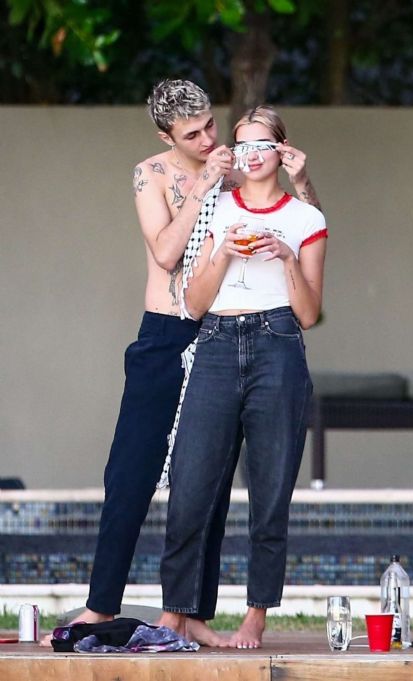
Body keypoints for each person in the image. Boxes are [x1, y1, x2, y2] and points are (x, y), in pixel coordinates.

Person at [41, 80, 321, 646]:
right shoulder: (152, 174)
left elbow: (304, 223)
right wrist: (203, 187)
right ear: (165, 135)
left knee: (207, 483)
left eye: (210, 127)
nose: (206, 139)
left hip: (226, 331)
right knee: (131, 471)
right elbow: (167, 253)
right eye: (191, 134)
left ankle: (191, 610)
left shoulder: (238, 166)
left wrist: (299, 177)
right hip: (166, 333)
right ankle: (100, 606)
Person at [157, 105, 328, 649]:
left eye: (263, 145)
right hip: (215, 343)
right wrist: (225, 254)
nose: (253, 155)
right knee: (191, 484)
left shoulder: (306, 218)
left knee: (270, 489)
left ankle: (256, 614)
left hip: (278, 345)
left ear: (281, 150)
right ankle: (176, 613)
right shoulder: (215, 206)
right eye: (244, 145)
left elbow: (308, 314)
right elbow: (195, 302)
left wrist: (283, 258)